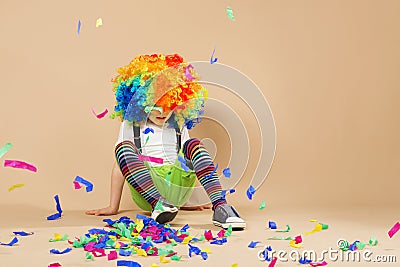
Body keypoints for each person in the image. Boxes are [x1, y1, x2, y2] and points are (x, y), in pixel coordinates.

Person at [86, 53, 246, 229]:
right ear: (140, 102)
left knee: (192, 145)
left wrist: (187, 199)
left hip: (176, 187)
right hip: (147, 190)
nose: (162, 112)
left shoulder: (178, 123)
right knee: (122, 149)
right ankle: (160, 205)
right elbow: (119, 166)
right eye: (155, 106)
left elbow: (188, 164)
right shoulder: (132, 124)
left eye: (169, 105)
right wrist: (113, 207)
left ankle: (221, 207)